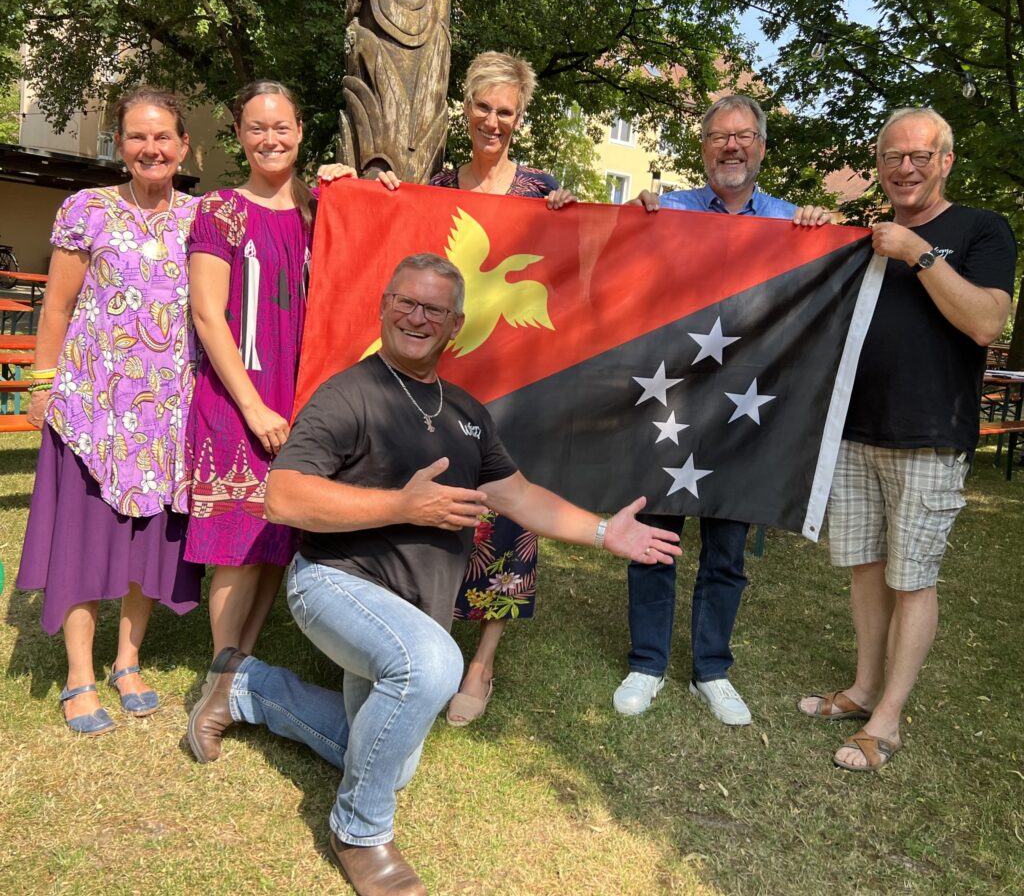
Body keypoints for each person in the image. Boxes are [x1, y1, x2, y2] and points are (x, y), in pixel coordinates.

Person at [185, 253, 681, 895]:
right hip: (334, 582)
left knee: (385, 757)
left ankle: (246, 687)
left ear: (456, 325)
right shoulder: (348, 394)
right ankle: (359, 833)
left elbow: (519, 495)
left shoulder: (468, 412)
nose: (417, 317)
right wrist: (400, 504)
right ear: (384, 306)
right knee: (432, 666)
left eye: (433, 309)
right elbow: (282, 497)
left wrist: (600, 531)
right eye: (406, 302)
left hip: (412, 607)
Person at [328, 50, 575, 727]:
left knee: (508, 515)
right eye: (485, 108)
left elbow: (582, 263)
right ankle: (411, 635)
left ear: (520, 120)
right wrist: (350, 188)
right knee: (431, 504)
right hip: (440, 383)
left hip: (517, 382)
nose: (494, 121)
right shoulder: (436, 185)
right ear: (466, 111)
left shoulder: (544, 192)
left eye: (508, 112)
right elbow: (393, 236)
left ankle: (482, 662)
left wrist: (568, 215)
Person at [798, 107, 1016, 771]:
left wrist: (918, 254)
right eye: (893, 156)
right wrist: (808, 230)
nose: (906, 167)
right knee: (865, 565)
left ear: (945, 161)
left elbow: (985, 323)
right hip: (855, 428)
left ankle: (887, 720)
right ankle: (864, 689)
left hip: (930, 434)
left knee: (912, 577)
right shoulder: (863, 235)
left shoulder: (982, 229)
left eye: (920, 155)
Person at [614, 93, 831, 725]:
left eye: (743, 137)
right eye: (719, 137)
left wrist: (825, 232)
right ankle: (647, 662)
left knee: (727, 549)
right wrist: (633, 217)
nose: (731, 146)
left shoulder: (794, 224)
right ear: (703, 147)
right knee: (654, 539)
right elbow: (613, 265)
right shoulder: (668, 210)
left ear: (762, 147)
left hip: (745, 415)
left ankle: (711, 668)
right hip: (669, 404)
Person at [17, 86, 203, 734]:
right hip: (93, 409)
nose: (150, 148)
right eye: (136, 136)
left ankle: (128, 661)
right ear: (120, 144)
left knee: (148, 549)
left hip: (167, 417)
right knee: (83, 541)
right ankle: (78, 675)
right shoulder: (86, 211)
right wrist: (42, 385)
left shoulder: (201, 221)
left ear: (184, 146)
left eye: (162, 137)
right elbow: (57, 309)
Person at [185, 80, 314, 660]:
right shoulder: (220, 210)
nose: (270, 139)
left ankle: (243, 664)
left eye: (281, 126)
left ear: (300, 132)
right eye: (257, 127)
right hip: (238, 396)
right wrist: (254, 407)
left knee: (275, 535)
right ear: (239, 135)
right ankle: (219, 673)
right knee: (235, 542)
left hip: (303, 396)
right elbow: (208, 315)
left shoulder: (321, 211)